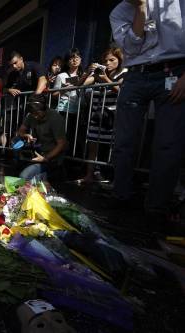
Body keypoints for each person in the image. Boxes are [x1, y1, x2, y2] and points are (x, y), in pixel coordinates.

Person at [110, 0, 185, 230]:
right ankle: (120, 197)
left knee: (168, 144)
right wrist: (141, 9)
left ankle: (156, 208)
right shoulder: (120, 11)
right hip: (135, 75)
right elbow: (130, 48)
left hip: (174, 72)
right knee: (123, 141)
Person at [81, 47, 127, 183]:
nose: (108, 63)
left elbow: (121, 90)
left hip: (113, 117)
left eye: (112, 60)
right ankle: (89, 175)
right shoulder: (99, 73)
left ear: (119, 60)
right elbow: (81, 85)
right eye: (105, 60)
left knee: (114, 149)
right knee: (92, 147)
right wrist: (87, 72)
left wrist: (105, 79)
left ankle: (114, 179)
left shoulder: (124, 73)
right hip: (97, 116)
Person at [17, 94, 67, 181]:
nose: (35, 116)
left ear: (44, 108)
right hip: (39, 153)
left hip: (53, 158)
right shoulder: (31, 115)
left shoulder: (55, 118)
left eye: (37, 113)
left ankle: (54, 175)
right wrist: (26, 135)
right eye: (33, 113)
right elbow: (20, 131)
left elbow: (61, 144)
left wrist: (45, 158)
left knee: (25, 177)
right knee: (20, 174)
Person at [53, 48, 86, 113]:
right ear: (67, 62)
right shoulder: (61, 76)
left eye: (77, 57)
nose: (75, 60)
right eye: (71, 58)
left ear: (80, 59)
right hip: (64, 110)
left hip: (79, 111)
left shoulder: (83, 76)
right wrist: (64, 90)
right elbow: (54, 95)